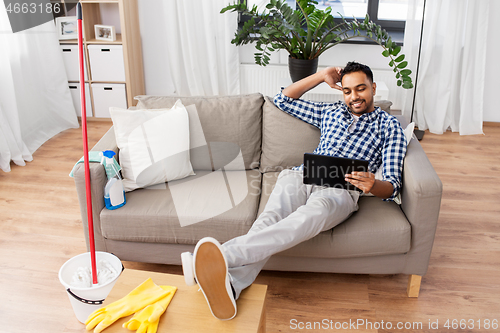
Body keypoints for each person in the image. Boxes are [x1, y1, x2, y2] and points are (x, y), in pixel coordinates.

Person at [181, 61, 407, 320]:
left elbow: (391, 186)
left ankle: (223, 255)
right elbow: (283, 99)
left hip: (339, 190)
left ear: (373, 88)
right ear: (342, 92)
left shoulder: (390, 127)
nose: (354, 97)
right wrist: (321, 76)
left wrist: (373, 184)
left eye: (360, 89)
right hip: (302, 175)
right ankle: (231, 285)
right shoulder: (330, 112)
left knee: (306, 218)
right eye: (347, 91)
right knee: (268, 220)